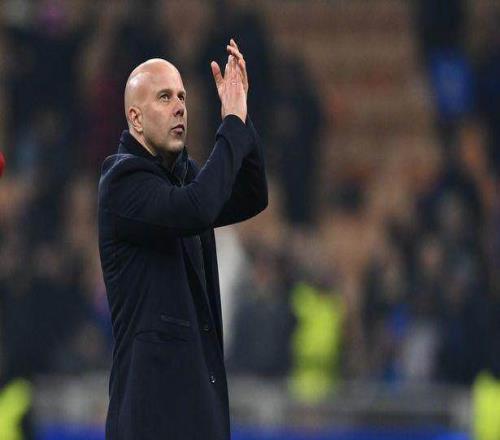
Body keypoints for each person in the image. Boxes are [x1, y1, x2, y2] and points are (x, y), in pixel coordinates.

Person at [97, 39, 267, 439]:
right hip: (151, 417)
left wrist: (240, 113)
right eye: (164, 97)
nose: (179, 107)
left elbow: (252, 195)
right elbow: (197, 209)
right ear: (136, 119)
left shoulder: (183, 178)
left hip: (197, 413)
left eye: (182, 97)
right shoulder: (122, 181)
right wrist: (231, 125)